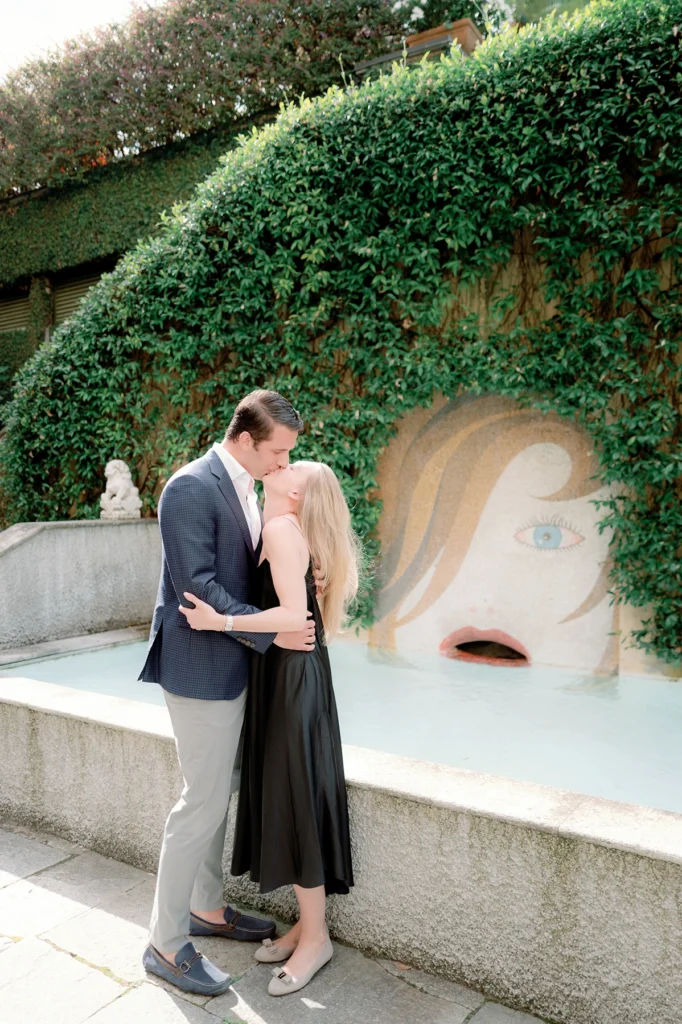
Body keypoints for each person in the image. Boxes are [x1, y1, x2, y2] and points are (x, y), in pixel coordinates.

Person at [139, 390, 316, 997]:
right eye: (277, 451)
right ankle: (164, 943)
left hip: (234, 665)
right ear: (244, 439)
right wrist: (278, 631)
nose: (283, 463)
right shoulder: (189, 487)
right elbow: (197, 590)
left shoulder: (247, 485)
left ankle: (207, 911)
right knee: (199, 804)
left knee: (217, 797)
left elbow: (250, 569)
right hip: (201, 670)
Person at [180, 457, 360, 996]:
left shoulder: (283, 529)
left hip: (290, 681)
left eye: (289, 466)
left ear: (299, 493)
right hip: (290, 675)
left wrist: (220, 620)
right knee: (297, 792)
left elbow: (294, 619)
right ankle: (307, 925)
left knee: (298, 798)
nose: (279, 463)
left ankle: (316, 940)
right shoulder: (277, 524)